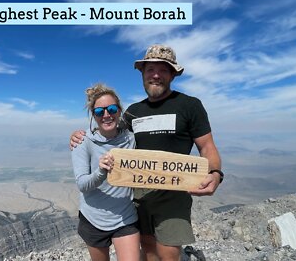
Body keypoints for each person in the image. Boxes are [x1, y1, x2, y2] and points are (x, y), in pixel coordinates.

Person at [71, 45, 223, 261]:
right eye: (150, 69)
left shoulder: (189, 106)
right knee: (149, 250)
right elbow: (109, 128)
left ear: (172, 74)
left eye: (163, 70)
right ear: (142, 74)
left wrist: (215, 173)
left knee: (169, 254)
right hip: (139, 198)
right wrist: (78, 135)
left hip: (173, 197)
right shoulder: (134, 111)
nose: (156, 75)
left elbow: (207, 146)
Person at [71, 83, 140, 261]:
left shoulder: (131, 139)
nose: (106, 115)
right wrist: (101, 171)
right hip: (93, 218)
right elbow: (82, 184)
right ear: (93, 115)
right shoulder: (83, 142)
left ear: (119, 110)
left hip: (125, 217)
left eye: (111, 109)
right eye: (100, 112)